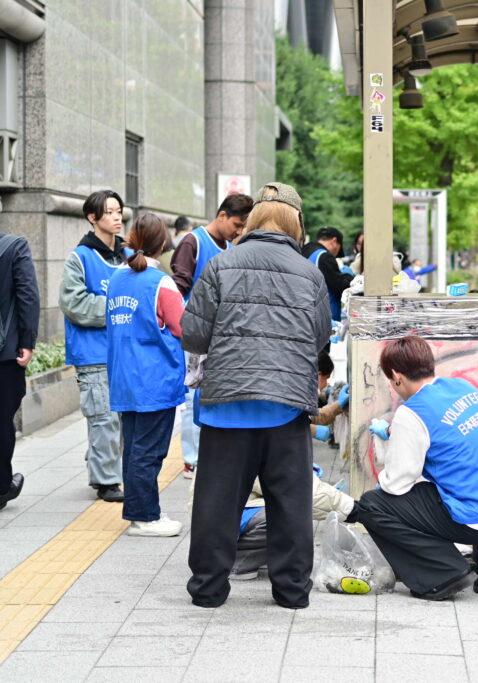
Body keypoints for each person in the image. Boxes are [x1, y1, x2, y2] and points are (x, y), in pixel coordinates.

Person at [182, 182, 330, 610]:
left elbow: (193, 333)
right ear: (295, 222)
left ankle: (208, 589)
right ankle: (291, 592)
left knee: (216, 503)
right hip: (285, 407)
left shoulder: (221, 264)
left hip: (227, 407)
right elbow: (320, 334)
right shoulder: (309, 273)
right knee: (290, 503)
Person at [351, 335, 478, 601]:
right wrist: (395, 433)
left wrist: (387, 458)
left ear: (397, 376)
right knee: (473, 481)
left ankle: (443, 574)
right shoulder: (463, 388)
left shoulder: (411, 413)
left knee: (372, 504)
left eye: (390, 379)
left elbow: (397, 484)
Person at [106, 213, 186, 537]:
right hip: (155, 379)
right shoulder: (161, 283)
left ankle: (140, 512)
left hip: (123, 377)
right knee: (149, 451)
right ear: (163, 242)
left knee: (134, 449)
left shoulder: (116, 279)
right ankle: (145, 517)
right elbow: (183, 327)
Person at [171, 193, 253, 479]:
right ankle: (191, 460)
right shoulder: (193, 242)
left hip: (220, 336)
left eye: (243, 227)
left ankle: (207, 454)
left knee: (209, 395)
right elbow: (177, 289)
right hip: (194, 335)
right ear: (221, 215)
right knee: (193, 395)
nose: (239, 231)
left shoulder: (230, 247)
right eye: (237, 224)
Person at [59, 190, 129, 503]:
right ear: (92, 217)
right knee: (103, 417)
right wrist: (119, 308)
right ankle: (106, 481)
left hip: (125, 351)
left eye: (119, 211)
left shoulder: (128, 255)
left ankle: (104, 465)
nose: (117, 217)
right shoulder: (80, 258)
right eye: (109, 212)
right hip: (93, 353)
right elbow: (73, 304)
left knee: (121, 418)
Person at [0, 229, 39, 511]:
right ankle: (2, 486)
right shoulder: (14, 247)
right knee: (2, 418)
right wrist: (26, 341)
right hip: (6, 353)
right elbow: (28, 295)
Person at [301, 226, 352, 321]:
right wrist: (349, 277)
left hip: (306, 314)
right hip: (326, 319)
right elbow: (339, 286)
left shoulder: (303, 252)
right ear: (334, 241)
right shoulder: (324, 256)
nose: (335, 255)